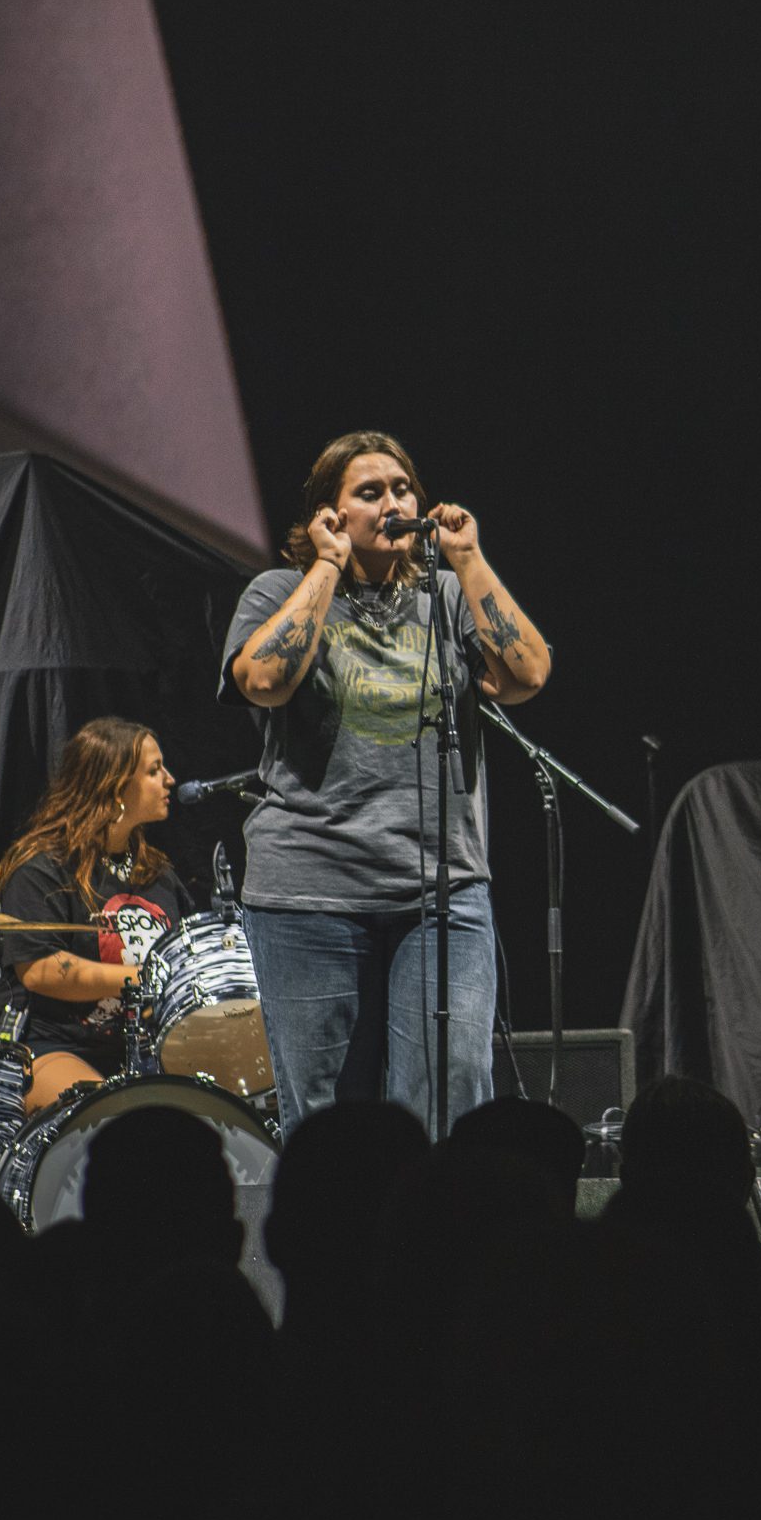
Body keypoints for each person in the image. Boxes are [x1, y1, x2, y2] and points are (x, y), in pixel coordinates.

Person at [220, 430, 550, 1136]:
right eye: (370, 493)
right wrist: (327, 566)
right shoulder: (279, 591)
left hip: (441, 891)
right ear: (328, 515)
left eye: (403, 490)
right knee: (324, 1120)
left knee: (453, 1089)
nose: (394, 503)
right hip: (309, 892)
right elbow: (265, 682)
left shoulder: (449, 597)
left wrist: (469, 558)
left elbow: (527, 674)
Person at [0, 718, 190, 1110]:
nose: (170, 779)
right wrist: (145, 979)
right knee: (112, 1115)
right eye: (153, 770)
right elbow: (40, 970)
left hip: (141, 1045)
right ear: (115, 787)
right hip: (52, 1042)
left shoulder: (157, 873)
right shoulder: (43, 868)